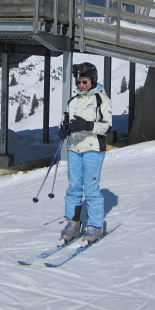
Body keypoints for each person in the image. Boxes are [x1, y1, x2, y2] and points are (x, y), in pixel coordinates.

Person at [58, 62, 112, 245]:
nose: (81, 85)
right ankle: (73, 223)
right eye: (79, 82)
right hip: (74, 148)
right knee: (73, 186)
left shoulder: (101, 99)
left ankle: (95, 225)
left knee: (91, 188)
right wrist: (63, 129)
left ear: (93, 80)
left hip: (93, 148)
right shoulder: (73, 101)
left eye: (85, 82)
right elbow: (65, 120)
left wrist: (88, 126)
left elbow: (107, 126)